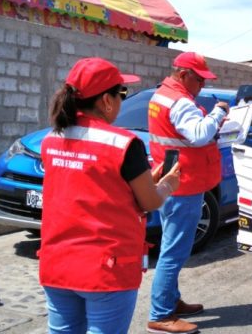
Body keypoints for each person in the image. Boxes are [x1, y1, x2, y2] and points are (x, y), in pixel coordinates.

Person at [39, 57, 181, 334]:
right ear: (106, 100)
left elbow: (89, 186)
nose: (121, 101)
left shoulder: (51, 139)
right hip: (107, 269)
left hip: (57, 263)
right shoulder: (125, 143)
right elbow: (149, 201)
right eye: (121, 94)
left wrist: (141, 183)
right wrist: (167, 185)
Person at [147, 52, 229, 334]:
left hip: (173, 180)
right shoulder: (180, 101)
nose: (202, 86)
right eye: (199, 79)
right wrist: (219, 113)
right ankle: (160, 315)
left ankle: (171, 300)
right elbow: (198, 134)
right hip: (183, 185)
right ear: (184, 75)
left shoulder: (162, 95)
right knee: (174, 252)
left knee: (172, 245)